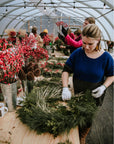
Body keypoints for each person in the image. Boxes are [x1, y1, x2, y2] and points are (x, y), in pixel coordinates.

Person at [61, 24, 114, 144]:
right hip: (77, 95)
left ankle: (82, 138)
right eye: (84, 42)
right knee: (74, 119)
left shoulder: (106, 57)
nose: (86, 46)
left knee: (87, 122)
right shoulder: (78, 53)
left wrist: (103, 87)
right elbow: (66, 70)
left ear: (98, 40)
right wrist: (65, 88)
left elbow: (112, 75)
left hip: (93, 98)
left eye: (90, 44)